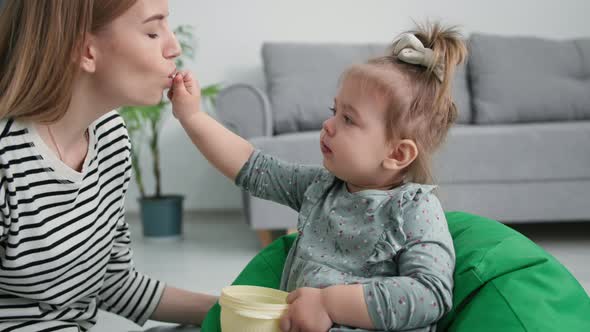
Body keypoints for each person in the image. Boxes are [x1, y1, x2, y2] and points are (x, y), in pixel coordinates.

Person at [170, 22, 467, 332]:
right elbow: (251, 166)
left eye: (349, 119)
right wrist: (192, 117)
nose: (328, 124)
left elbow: (431, 295)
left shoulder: (414, 210)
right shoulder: (321, 188)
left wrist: (329, 303)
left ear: (397, 155)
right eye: (334, 110)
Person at [0, 1, 216, 330]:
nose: (174, 47)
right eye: (153, 32)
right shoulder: (6, 159)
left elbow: (111, 282)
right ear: (86, 51)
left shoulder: (111, 136)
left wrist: (236, 311)